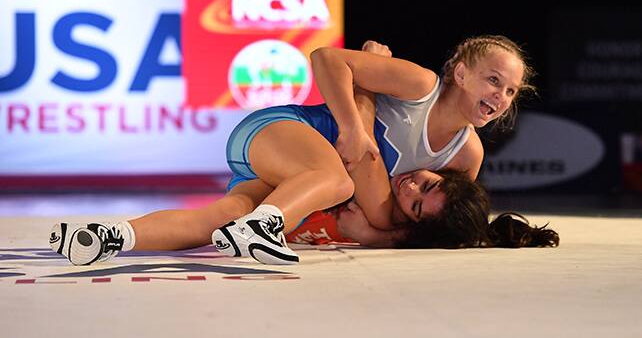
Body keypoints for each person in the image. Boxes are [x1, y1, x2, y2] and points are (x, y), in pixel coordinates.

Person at [50, 35, 556, 265]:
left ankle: (107, 237)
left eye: (511, 91)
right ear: (460, 73)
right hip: (280, 130)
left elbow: (436, 225)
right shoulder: (421, 85)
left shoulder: (466, 157)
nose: (500, 97)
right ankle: (262, 227)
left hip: (286, 171)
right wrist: (353, 123)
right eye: (493, 80)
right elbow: (327, 58)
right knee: (336, 177)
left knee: (217, 220)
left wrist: (364, 99)